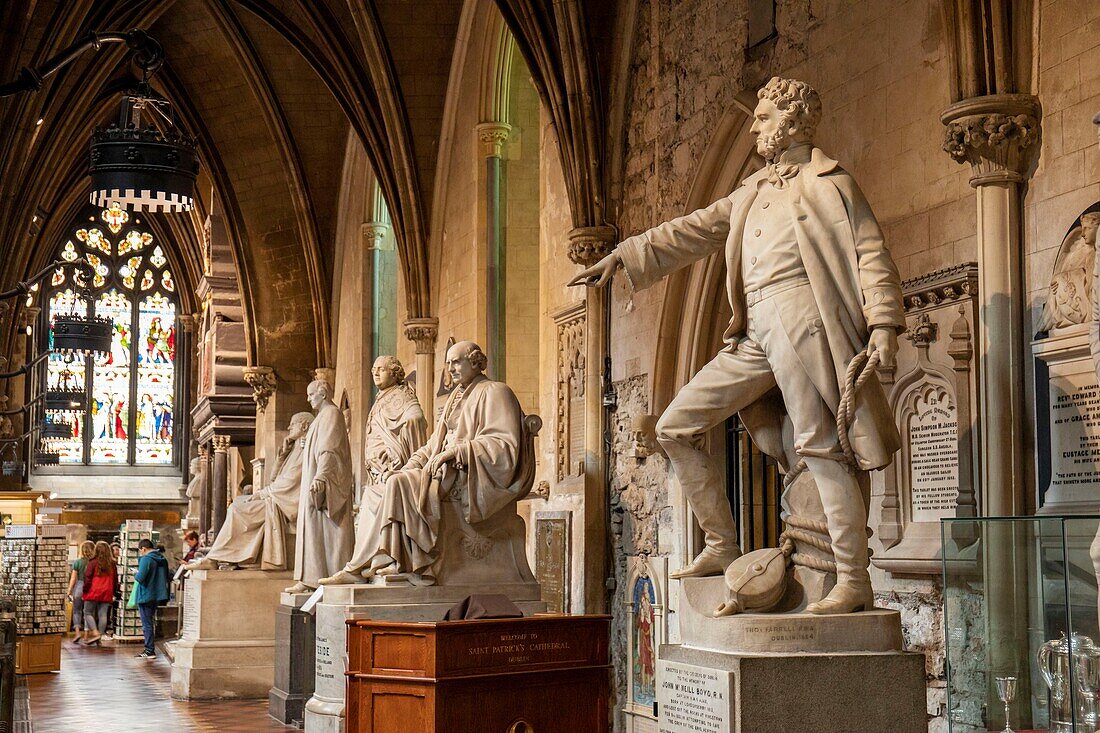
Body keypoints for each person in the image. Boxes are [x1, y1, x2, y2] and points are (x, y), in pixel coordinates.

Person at [570, 77, 904, 615]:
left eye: (765, 117)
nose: (754, 127)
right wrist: (628, 254)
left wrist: (884, 324)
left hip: (802, 315)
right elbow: (694, 229)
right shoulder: (751, 191)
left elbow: (871, 252)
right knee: (674, 426)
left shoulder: (828, 181)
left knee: (820, 445)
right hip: (754, 331)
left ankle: (852, 580)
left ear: (794, 123)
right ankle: (722, 544)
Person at [319, 341, 534, 586]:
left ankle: (398, 563)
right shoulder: (456, 397)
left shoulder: (496, 391)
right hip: (442, 471)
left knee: (399, 484)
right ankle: (368, 564)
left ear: (475, 362)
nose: (451, 369)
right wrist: (412, 463)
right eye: (448, 363)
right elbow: (433, 444)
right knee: (379, 488)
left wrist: (456, 453)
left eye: (456, 362)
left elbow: (503, 444)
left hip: (468, 475)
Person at [185, 412, 315, 571]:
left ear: (304, 426)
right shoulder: (295, 449)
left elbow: (289, 483)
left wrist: (260, 494)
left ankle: (216, 558)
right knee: (238, 504)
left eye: (293, 424)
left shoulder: (306, 450)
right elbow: (275, 479)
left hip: (284, 505)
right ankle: (221, 556)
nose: (289, 427)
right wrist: (282, 456)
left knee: (237, 509)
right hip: (277, 499)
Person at [284, 380, 355, 593]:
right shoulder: (319, 419)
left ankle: (325, 576)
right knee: (312, 530)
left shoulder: (332, 414)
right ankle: (309, 579)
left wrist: (322, 476)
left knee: (325, 531)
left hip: (323, 480)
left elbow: (330, 450)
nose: (308, 398)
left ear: (322, 394)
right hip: (313, 479)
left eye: (311, 394)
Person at [133, 538, 170, 659]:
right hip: (156, 594)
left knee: (146, 623)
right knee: (151, 621)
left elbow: (140, 577)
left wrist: (135, 573)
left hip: (145, 594)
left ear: (143, 549)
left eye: (141, 551)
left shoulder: (146, 559)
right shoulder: (162, 559)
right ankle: (150, 648)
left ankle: (149, 649)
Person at [80, 541, 117, 646]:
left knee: (87, 612)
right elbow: (115, 579)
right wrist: (114, 592)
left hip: (93, 590)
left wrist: (85, 589)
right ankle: (99, 636)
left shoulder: (92, 562)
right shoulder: (112, 563)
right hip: (107, 591)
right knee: (103, 614)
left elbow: (87, 577)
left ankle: (95, 632)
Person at [67, 541, 94, 643]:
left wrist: (69, 590)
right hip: (90, 588)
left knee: (76, 611)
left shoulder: (77, 562)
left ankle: (78, 633)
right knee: (88, 612)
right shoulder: (94, 563)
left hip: (79, 587)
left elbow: (73, 578)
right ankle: (86, 635)